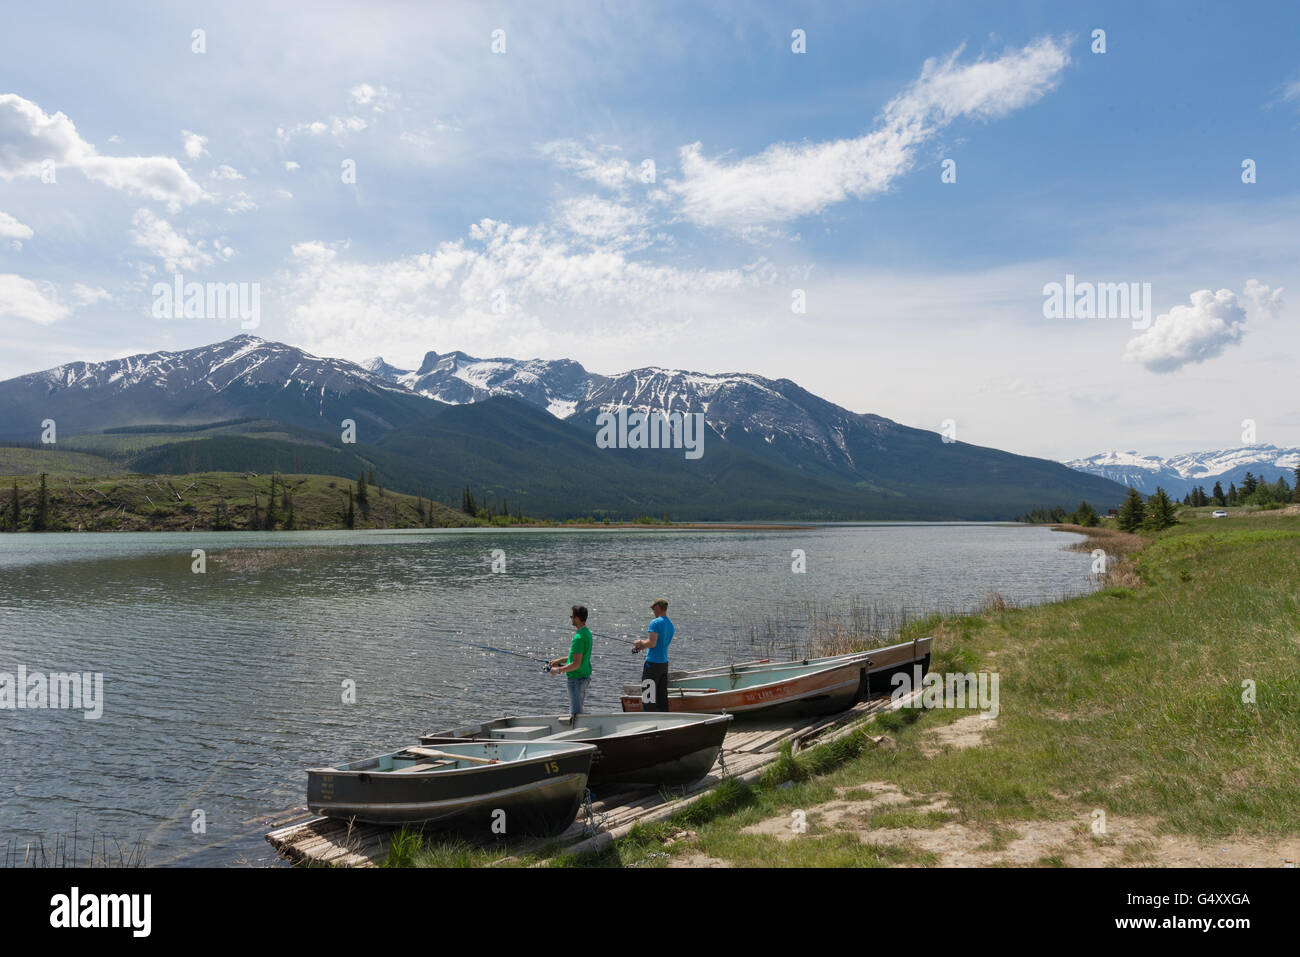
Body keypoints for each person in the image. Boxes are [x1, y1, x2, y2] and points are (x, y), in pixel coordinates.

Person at [549, 605, 593, 715]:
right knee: (579, 711)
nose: (571, 618)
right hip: (584, 678)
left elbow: (576, 664)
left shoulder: (578, 638)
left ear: (577, 618)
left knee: (575, 714)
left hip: (576, 680)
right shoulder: (587, 633)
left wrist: (558, 670)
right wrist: (559, 660)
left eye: (571, 616)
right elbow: (576, 657)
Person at [633, 598, 673, 712]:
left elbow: (652, 643)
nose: (653, 611)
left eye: (653, 609)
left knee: (648, 698)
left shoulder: (655, 623)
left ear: (657, 607)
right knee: (661, 698)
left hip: (652, 665)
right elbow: (658, 643)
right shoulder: (670, 624)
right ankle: (663, 721)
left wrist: (640, 643)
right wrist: (643, 645)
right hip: (664, 664)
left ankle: (648, 719)